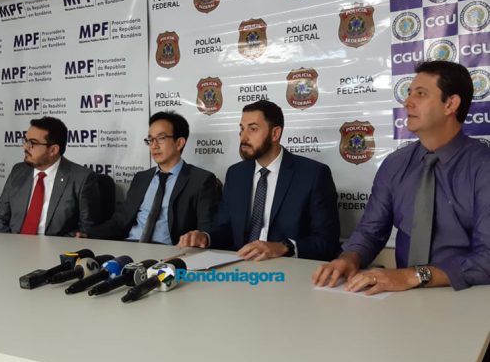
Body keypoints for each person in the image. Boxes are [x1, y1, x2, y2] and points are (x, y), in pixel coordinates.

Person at [313, 60, 490, 293]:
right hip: (403, 298)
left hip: (466, 296)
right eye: (409, 93)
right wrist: (349, 258)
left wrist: (416, 275)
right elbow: (371, 230)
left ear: (450, 104)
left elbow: (487, 257)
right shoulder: (395, 164)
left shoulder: (483, 166)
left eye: (420, 94)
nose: (407, 102)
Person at [179, 100, 340, 260]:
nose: (244, 137)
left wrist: (284, 247)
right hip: (239, 264)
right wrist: (205, 237)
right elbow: (224, 228)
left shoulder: (313, 174)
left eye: (253, 129)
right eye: (242, 129)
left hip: (287, 267)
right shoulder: (236, 174)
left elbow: (327, 241)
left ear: (275, 133)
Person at [78, 111, 219, 244]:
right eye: (150, 140)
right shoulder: (141, 178)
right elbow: (120, 221)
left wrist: (201, 237)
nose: (154, 146)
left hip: (169, 251)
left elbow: (207, 228)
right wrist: (89, 234)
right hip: (130, 246)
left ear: (179, 143)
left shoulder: (201, 180)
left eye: (161, 138)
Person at [0, 116, 101, 236]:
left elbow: (87, 230)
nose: (25, 147)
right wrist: (10, 244)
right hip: (13, 244)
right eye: (25, 141)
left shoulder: (81, 179)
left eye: (32, 143)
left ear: (53, 150)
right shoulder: (18, 171)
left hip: (55, 247)